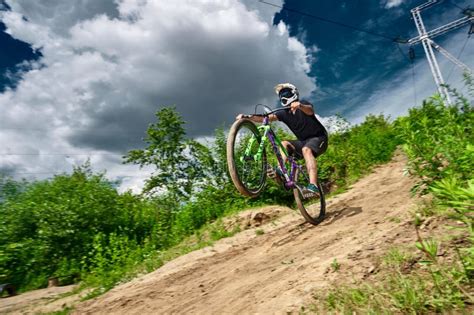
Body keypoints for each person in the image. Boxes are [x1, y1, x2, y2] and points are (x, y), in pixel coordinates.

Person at [236, 83, 328, 196]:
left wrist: (300, 105)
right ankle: (281, 170)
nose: (283, 98)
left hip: (319, 138)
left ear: (294, 94)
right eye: (281, 96)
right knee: (284, 143)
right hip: (303, 142)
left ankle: (313, 186)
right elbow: (265, 118)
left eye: (286, 94)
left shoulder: (303, 104)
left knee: (306, 150)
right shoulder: (284, 113)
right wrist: (247, 117)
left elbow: (310, 111)